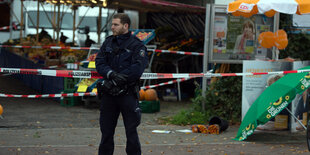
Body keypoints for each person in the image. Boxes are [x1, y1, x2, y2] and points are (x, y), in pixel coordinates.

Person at [95, 13, 148, 155]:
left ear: (125, 26)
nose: (112, 27)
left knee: (131, 133)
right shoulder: (108, 42)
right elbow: (99, 63)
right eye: (112, 24)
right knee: (106, 133)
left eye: (115, 24)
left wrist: (121, 78)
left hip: (128, 94)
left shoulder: (137, 45)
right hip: (109, 94)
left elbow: (137, 68)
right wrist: (111, 75)